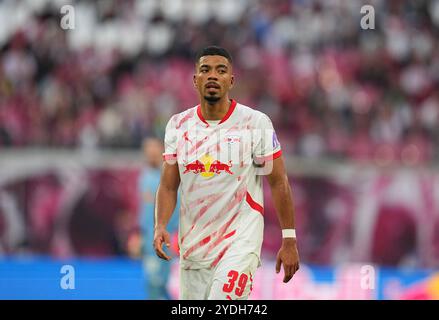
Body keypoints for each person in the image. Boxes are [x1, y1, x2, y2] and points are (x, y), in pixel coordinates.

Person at [153, 46, 299, 300]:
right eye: (205, 70)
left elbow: (278, 181)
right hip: (194, 248)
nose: (212, 76)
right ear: (195, 79)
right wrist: (160, 225)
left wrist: (289, 238)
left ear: (231, 80)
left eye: (221, 71)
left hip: (239, 244)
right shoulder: (178, 126)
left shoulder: (255, 124)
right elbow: (168, 185)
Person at [138, 137, 179, 299]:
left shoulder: (171, 178)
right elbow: (145, 211)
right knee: (154, 284)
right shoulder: (144, 176)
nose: (151, 152)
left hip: (169, 239)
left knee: (164, 284)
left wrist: (177, 235)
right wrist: (139, 235)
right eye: (148, 148)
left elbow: (177, 209)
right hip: (150, 241)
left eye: (154, 147)